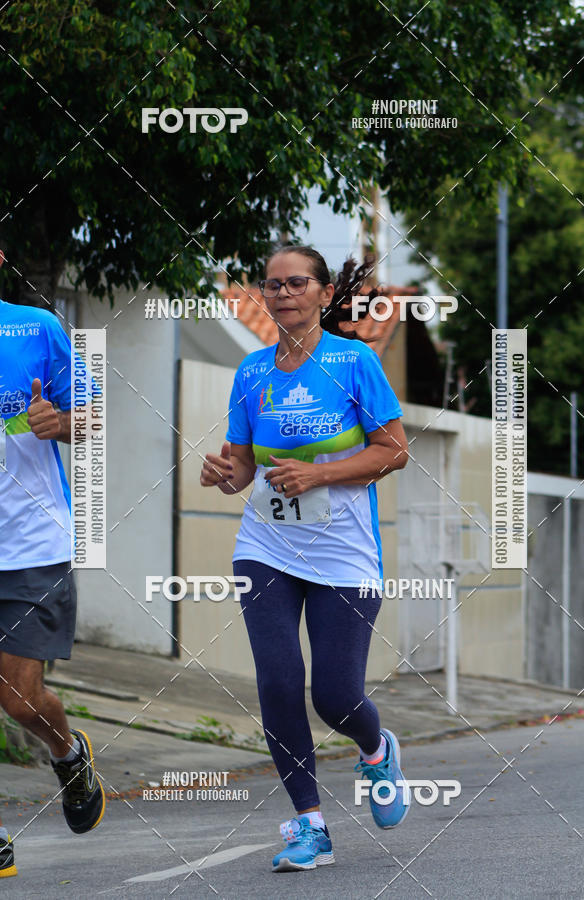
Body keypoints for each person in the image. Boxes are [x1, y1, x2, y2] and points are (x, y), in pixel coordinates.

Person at [201, 245, 410, 872]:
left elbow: (394, 451)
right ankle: (309, 824)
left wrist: (321, 476)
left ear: (323, 293)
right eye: (272, 284)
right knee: (278, 682)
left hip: (344, 554)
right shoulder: (251, 371)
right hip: (266, 546)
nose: (283, 292)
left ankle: (376, 749)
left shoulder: (355, 362)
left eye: (297, 283)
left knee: (336, 696)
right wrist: (223, 472)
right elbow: (241, 467)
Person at [0, 279, 105, 879]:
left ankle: (68, 754)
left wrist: (58, 420)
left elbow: (94, 420)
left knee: (17, 698)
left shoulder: (38, 326)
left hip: (32, 547)